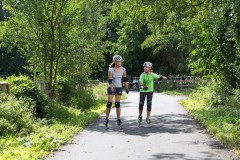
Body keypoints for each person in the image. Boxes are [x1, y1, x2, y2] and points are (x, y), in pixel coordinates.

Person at [138, 62, 168, 127]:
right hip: (143, 91)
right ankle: (140, 116)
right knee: (141, 104)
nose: (145, 68)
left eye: (146, 67)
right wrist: (143, 87)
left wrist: (166, 78)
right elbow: (140, 85)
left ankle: (148, 118)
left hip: (150, 91)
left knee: (149, 104)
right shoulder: (142, 75)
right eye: (144, 67)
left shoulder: (152, 75)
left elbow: (159, 77)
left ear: (149, 68)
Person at [104, 55, 129, 128]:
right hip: (111, 87)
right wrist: (112, 88)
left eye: (121, 61)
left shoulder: (123, 69)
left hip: (119, 87)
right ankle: (106, 119)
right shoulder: (110, 70)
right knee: (109, 103)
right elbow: (110, 81)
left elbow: (125, 79)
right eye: (119, 61)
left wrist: (127, 88)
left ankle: (118, 119)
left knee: (117, 104)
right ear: (115, 62)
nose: (121, 62)